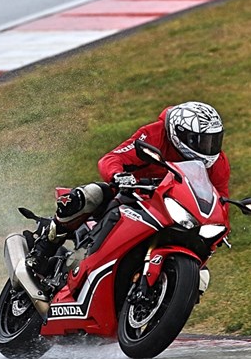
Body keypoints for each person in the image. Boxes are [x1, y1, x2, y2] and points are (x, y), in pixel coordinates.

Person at [26, 101, 231, 289]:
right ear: (180, 134)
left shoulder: (218, 163)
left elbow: (219, 199)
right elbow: (112, 158)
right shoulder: (154, 134)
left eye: (214, 141)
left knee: (201, 277)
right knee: (90, 195)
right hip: (132, 194)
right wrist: (118, 175)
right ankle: (44, 247)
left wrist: (220, 226)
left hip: (170, 211)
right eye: (201, 141)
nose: (209, 148)